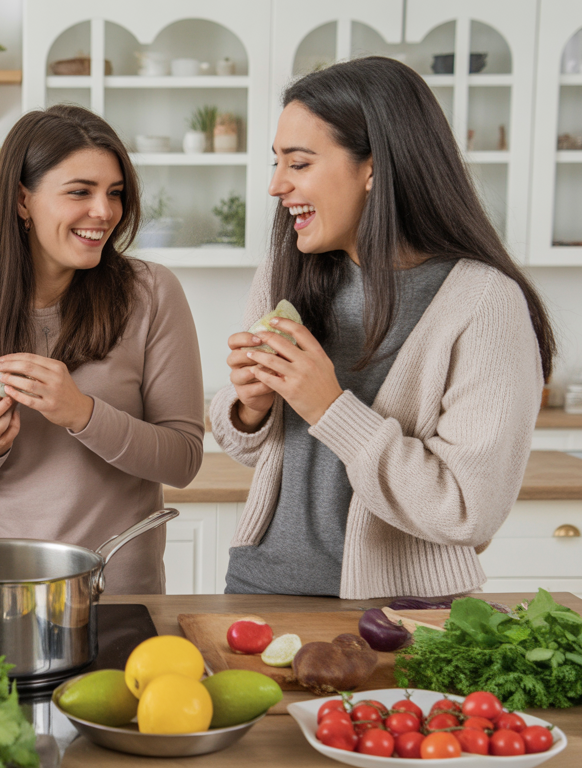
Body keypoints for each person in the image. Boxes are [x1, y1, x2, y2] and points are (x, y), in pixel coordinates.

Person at [212, 57, 555, 599]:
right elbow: (254, 450)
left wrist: (330, 407)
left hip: (399, 612)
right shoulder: (286, 270)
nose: (276, 185)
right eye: (276, 163)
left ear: (373, 168)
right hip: (259, 585)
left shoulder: (484, 302)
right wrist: (249, 407)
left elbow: (468, 509)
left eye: (298, 164)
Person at [0, 104, 206, 595]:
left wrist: (83, 413)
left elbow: (183, 459)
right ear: (23, 201)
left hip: (116, 592)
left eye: (114, 193)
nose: (105, 212)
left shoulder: (152, 293)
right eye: (80, 192)